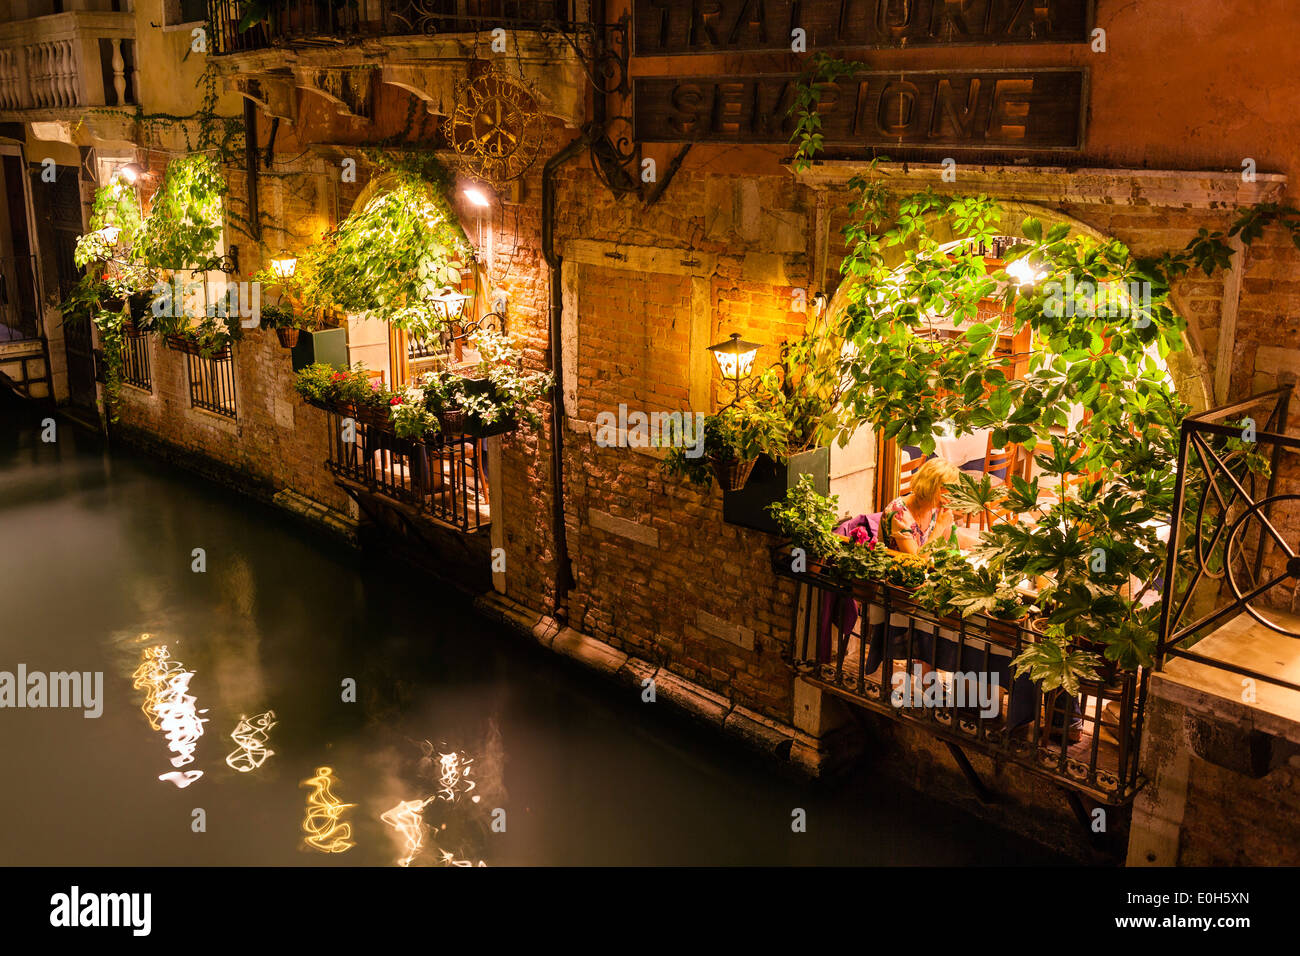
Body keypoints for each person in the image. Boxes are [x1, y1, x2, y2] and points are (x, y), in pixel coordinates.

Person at [881, 457, 960, 553]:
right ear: (930, 487)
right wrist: (940, 526)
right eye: (946, 491)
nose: (950, 500)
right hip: (900, 566)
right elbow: (917, 561)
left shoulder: (935, 506)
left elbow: (953, 536)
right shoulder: (898, 513)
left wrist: (980, 544)